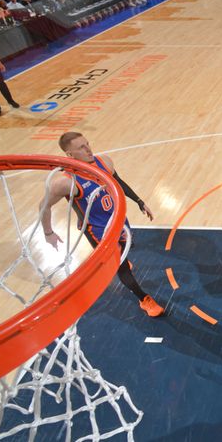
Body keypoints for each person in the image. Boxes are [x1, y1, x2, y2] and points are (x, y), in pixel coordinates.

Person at [41, 131, 164, 318]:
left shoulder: (104, 161)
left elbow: (119, 182)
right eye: (81, 147)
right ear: (70, 155)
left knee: (126, 250)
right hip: (98, 231)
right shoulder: (66, 183)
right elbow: (43, 206)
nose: (88, 149)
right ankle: (144, 299)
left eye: (87, 143)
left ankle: (121, 258)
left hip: (119, 220)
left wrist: (139, 201)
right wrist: (48, 232)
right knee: (120, 267)